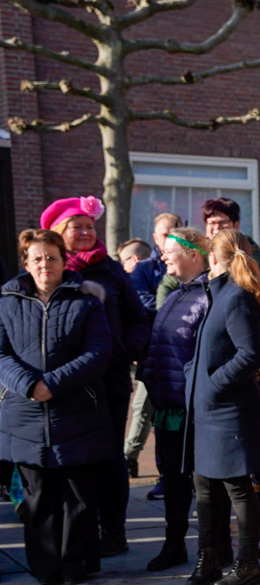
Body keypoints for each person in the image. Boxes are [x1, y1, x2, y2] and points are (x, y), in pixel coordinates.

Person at [0, 229, 112, 584]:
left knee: (79, 497)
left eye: (51, 257)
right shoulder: (6, 301)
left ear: (64, 261)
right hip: (25, 415)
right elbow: (1, 354)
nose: (44, 264)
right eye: (37, 258)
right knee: (37, 498)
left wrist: (53, 384)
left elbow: (99, 352)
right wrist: (30, 385)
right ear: (25, 262)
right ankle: (46, 569)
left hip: (77, 413)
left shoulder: (86, 301)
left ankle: (77, 566)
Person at [41, 196, 149, 558]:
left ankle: (113, 530)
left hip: (109, 382)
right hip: (64, 384)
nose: (86, 232)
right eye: (77, 227)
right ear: (59, 232)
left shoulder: (112, 270)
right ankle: (78, 532)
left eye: (90, 226)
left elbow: (137, 319)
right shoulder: (49, 271)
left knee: (110, 457)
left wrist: (124, 351)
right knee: (73, 459)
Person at [183, 229, 260, 585]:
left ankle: (247, 564)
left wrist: (214, 383)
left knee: (237, 487)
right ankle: (209, 559)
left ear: (213, 258)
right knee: (203, 485)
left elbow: (250, 354)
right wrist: (195, 375)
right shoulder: (218, 294)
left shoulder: (236, 296)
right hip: (208, 410)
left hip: (228, 410)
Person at [137, 227, 213, 570]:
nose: (163, 256)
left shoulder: (207, 296)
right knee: (172, 480)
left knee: (202, 484)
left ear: (193, 254)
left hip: (192, 410)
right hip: (167, 406)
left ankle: (213, 549)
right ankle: (174, 544)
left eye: (170, 251)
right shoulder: (174, 295)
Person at [126, 213, 181, 496]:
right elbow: (143, 303)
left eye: (174, 232)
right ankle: (158, 472)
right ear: (155, 238)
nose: (168, 238)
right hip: (156, 356)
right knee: (153, 414)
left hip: (185, 356)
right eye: (163, 234)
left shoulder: (191, 263)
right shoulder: (144, 270)